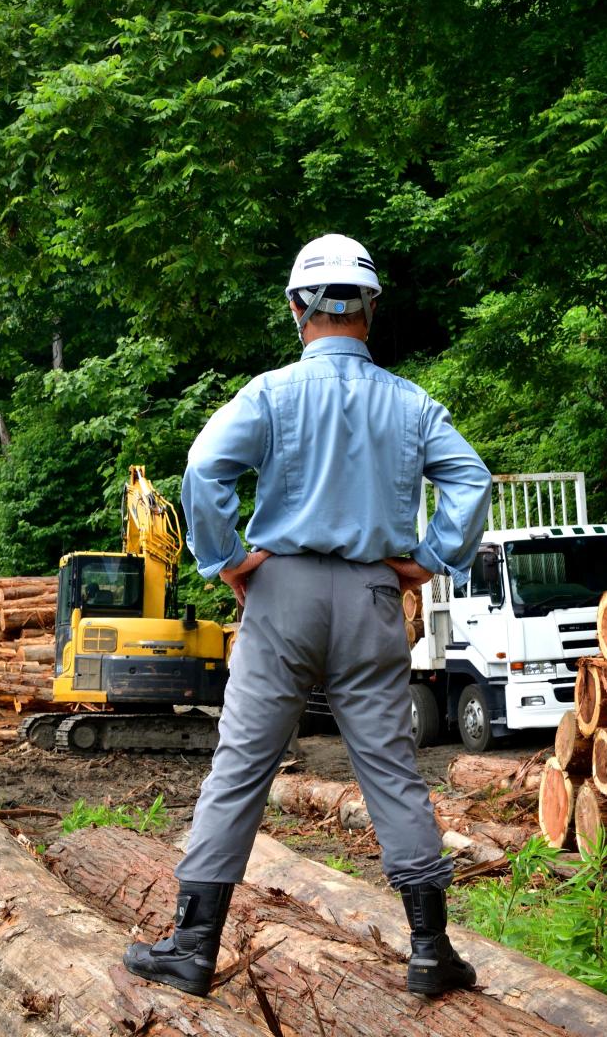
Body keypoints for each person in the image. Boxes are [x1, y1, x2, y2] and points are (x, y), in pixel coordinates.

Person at [123, 233, 494, 998]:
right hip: (370, 597)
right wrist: (426, 559)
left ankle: (194, 947)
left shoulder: (271, 394)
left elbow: (203, 469)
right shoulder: (412, 404)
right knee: (392, 769)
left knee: (242, 766)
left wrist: (227, 559)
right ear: (372, 310)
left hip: (281, 594)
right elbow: (472, 479)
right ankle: (429, 951)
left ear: (298, 309)